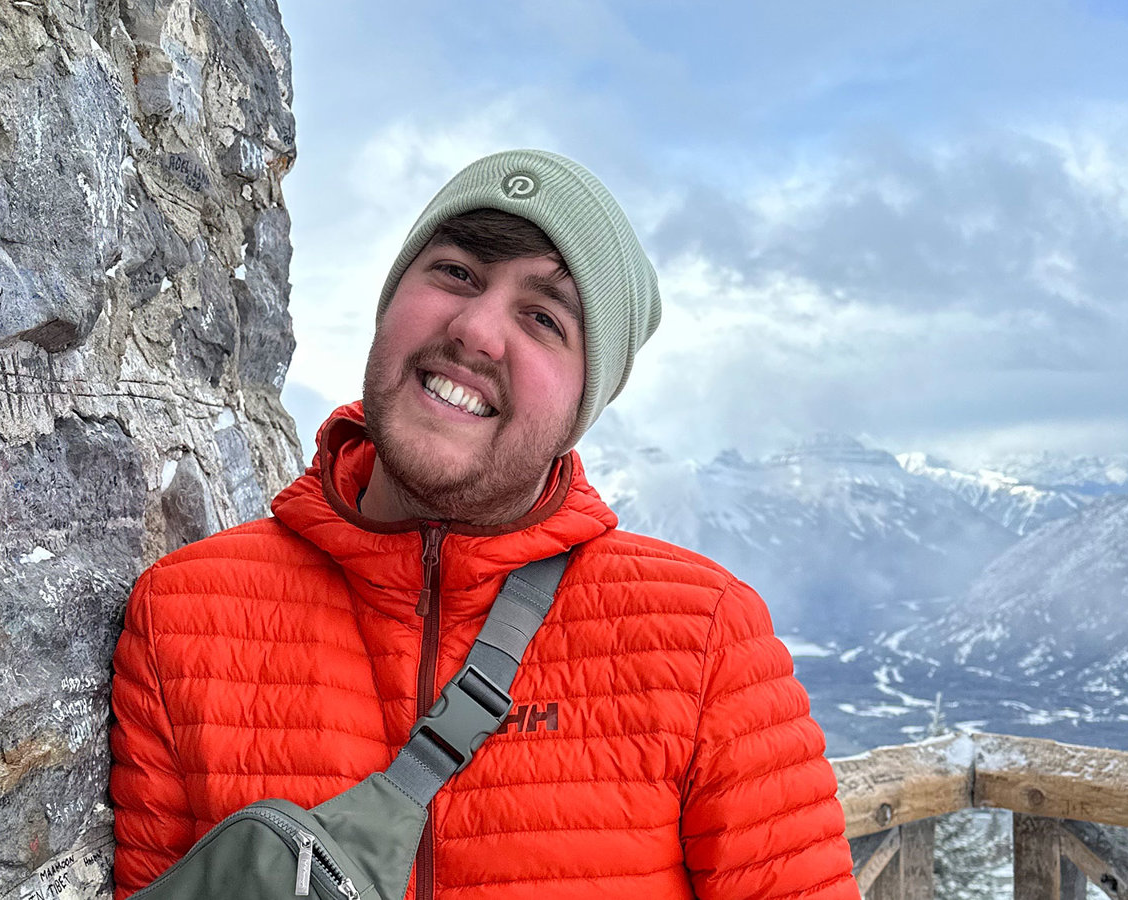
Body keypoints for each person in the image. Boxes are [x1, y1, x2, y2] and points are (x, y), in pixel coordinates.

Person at [110, 149, 861, 899]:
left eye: (543, 318)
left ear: (582, 407)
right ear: (391, 302)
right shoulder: (183, 613)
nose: (475, 330)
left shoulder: (704, 640)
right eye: (456, 273)